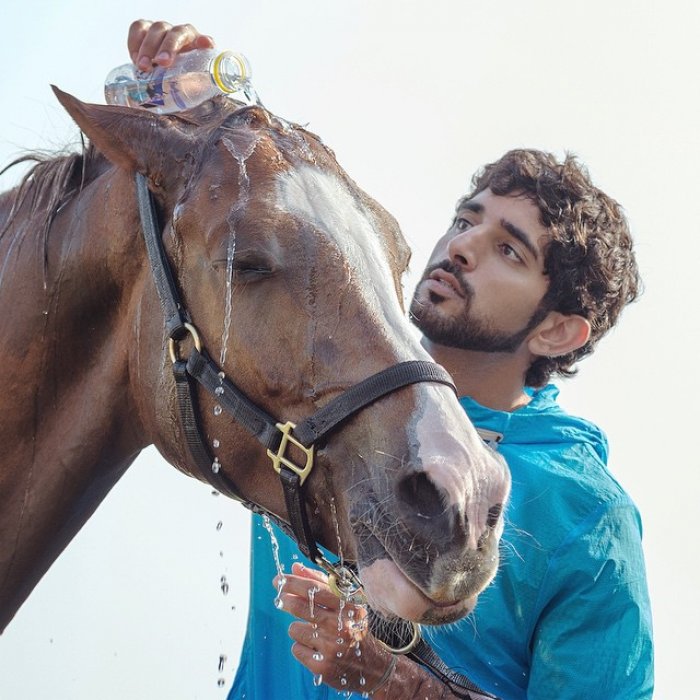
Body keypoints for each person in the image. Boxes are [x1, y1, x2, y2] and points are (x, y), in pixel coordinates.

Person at [128, 20, 654, 699]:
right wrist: (202, 100)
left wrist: (395, 682)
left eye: (509, 251)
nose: (460, 247)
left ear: (558, 331)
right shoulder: (329, 398)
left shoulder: (586, 515)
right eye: (467, 220)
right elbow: (260, 221)